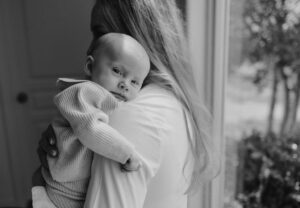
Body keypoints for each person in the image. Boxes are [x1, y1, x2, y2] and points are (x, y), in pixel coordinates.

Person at [33, 0, 220, 208]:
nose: (89, 46)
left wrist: (40, 184)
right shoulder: (172, 99)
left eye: (100, 33)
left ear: (138, 37)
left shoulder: (130, 113)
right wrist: (66, 145)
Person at [33, 33, 150, 208]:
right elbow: (90, 129)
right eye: (117, 71)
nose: (125, 84)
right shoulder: (84, 92)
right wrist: (127, 154)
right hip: (61, 194)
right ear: (89, 66)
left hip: (73, 192)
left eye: (135, 82)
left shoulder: (111, 99)